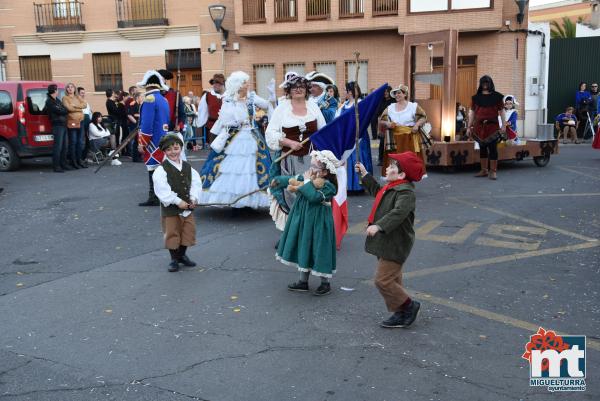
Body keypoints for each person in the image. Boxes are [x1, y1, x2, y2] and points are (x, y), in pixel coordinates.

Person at [355, 151, 425, 328]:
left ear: (401, 175)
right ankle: (400, 311)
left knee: (382, 280)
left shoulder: (406, 193)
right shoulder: (391, 187)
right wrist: (364, 174)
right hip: (387, 241)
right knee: (393, 279)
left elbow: (399, 212)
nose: (387, 168)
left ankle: (409, 306)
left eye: (392, 167)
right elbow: (378, 193)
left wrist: (379, 226)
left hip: (396, 242)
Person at [199, 71, 272, 209]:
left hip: (252, 135)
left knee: (252, 168)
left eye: (247, 82)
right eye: (244, 82)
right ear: (238, 85)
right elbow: (225, 120)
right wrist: (236, 112)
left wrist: (272, 96)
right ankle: (234, 199)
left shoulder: (251, 97)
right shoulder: (228, 99)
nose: (247, 84)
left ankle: (250, 199)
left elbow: (267, 105)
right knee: (231, 168)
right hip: (234, 137)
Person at [265, 72, 327, 230]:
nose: (298, 90)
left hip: (312, 159)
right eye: (294, 87)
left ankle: (310, 231)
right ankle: (293, 233)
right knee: (292, 192)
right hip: (290, 159)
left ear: (307, 90)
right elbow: (270, 133)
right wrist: (289, 142)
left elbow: (323, 130)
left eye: (301, 87)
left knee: (311, 191)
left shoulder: (313, 107)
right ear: (289, 90)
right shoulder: (282, 109)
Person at [273, 150, 339, 296]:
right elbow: (293, 179)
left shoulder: (328, 186)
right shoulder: (308, 177)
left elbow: (314, 197)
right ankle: (303, 281)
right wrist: (278, 181)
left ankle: (325, 282)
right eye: (311, 166)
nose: (310, 170)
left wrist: (308, 182)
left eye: (315, 168)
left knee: (319, 248)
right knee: (304, 246)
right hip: (305, 220)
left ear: (325, 172)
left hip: (319, 223)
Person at [152, 134, 202, 272]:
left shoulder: (187, 167)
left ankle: (182, 255)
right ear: (164, 152)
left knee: (187, 232)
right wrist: (177, 201)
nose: (173, 152)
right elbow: (162, 190)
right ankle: (174, 259)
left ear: (181, 148)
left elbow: (195, 184)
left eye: (176, 148)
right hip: (171, 210)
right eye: (168, 150)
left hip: (187, 209)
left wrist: (193, 198)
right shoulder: (161, 170)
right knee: (172, 233)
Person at [136, 70, 171, 206]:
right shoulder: (163, 99)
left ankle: (154, 197)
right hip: (163, 137)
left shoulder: (150, 99)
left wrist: (142, 143)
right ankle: (160, 195)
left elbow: (147, 125)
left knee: (153, 167)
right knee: (160, 167)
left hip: (153, 140)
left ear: (147, 85)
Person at [379, 84, 427, 173]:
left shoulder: (413, 106)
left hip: (409, 139)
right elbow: (381, 120)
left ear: (405, 94)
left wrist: (417, 125)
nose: (397, 95)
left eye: (399, 93)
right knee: (395, 163)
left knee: (408, 163)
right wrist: (388, 123)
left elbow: (423, 117)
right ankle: (397, 182)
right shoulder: (390, 107)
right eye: (395, 93)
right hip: (394, 139)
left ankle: (407, 182)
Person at [466, 75, 506, 180]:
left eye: (486, 83)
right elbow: (472, 112)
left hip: (492, 127)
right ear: (481, 84)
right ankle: (484, 170)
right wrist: (469, 127)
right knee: (482, 148)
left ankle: (493, 171)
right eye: (483, 83)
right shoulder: (476, 98)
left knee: (493, 149)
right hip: (479, 127)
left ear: (490, 84)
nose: (485, 85)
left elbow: (502, 112)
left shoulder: (497, 97)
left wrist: (504, 125)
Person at [337, 81, 372, 191]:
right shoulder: (344, 105)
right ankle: (349, 185)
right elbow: (337, 119)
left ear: (350, 92)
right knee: (348, 158)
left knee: (359, 158)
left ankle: (360, 184)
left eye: (345, 90)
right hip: (347, 137)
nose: (344, 92)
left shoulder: (361, 103)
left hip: (359, 137)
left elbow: (366, 119)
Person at [45, 84, 70, 173]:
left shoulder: (57, 100)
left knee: (65, 146)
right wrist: (63, 111)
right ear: (55, 91)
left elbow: (65, 109)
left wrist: (63, 111)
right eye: (57, 90)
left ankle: (64, 164)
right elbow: (60, 110)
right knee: (58, 147)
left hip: (63, 124)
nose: (58, 91)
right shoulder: (49, 102)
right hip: (57, 125)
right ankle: (56, 166)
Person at [62, 82, 87, 169]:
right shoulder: (65, 98)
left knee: (80, 142)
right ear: (66, 89)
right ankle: (73, 161)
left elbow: (85, 105)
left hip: (81, 121)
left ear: (74, 89)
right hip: (72, 121)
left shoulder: (78, 97)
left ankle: (79, 160)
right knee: (73, 142)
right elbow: (69, 108)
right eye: (68, 87)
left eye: (72, 87)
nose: (70, 88)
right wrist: (78, 108)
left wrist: (75, 106)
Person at [197, 73, 225, 144]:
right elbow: (202, 110)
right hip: (212, 128)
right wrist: (200, 123)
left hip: (226, 128)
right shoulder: (208, 96)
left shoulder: (229, 96)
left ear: (223, 84)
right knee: (214, 150)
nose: (214, 85)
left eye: (217, 83)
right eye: (213, 83)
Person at [373, 86, 395, 165]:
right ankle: (381, 159)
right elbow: (378, 115)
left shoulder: (393, 101)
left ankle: (391, 159)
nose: (385, 93)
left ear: (390, 92)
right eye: (384, 91)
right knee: (382, 142)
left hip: (391, 124)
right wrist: (378, 129)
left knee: (391, 143)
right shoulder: (381, 101)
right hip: (382, 124)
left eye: (387, 91)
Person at [126, 92, 143, 162]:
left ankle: (138, 156)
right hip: (134, 125)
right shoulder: (133, 103)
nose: (142, 98)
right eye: (141, 97)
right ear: (138, 97)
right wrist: (136, 123)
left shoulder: (138, 104)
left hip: (138, 125)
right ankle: (135, 158)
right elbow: (130, 115)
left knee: (138, 141)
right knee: (135, 141)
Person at [78, 87, 92, 165]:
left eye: (84, 93)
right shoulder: (76, 103)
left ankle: (84, 157)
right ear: (78, 94)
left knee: (87, 140)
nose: (83, 94)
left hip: (87, 123)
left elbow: (90, 113)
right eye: (82, 93)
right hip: (80, 123)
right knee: (81, 141)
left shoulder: (86, 103)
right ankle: (79, 158)